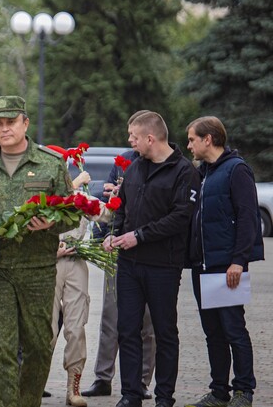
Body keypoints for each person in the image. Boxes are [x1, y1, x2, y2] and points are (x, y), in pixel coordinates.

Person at [0, 95, 73, 407]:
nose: (5, 128)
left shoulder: (51, 164)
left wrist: (49, 222)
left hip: (37, 269)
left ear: (25, 123)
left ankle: (29, 401)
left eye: (11, 122)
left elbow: (72, 213)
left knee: (37, 346)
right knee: (1, 348)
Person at [102, 111, 200, 407]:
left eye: (133, 136)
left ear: (150, 137)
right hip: (129, 265)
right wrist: (113, 233)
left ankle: (164, 397)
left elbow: (181, 217)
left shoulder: (185, 172)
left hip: (163, 266)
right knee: (127, 329)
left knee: (164, 330)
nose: (129, 142)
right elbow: (122, 208)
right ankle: (131, 394)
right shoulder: (133, 168)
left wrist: (139, 236)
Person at [184, 116, 262, 407]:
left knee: (233, 329)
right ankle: (219, 392)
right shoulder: (201, 173)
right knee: (212, 333)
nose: (189, 145)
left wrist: (239, 261)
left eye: (192, 139)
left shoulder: (236, 170)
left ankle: (244, 390)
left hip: (227, 266)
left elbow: (247, 217)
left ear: (209, 139)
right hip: (201, 265)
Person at [82, 111, 155, 400]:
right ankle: (103, 377)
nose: (130, 141)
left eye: (134, 136)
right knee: (111, 318)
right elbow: (107, 203)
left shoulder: (168, 164)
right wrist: (101, 238)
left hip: (151, 253)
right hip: (117, 251)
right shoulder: (125, 160)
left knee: (147, 323)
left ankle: (142, 382)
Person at [46, 169, 100, 407]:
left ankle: (73, 387)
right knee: (45, 329)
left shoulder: (81, 197)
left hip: (76, 261)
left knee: (76, 328)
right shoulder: (43, 190)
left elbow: (107, 215)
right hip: (48, 264)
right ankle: (34, 383)